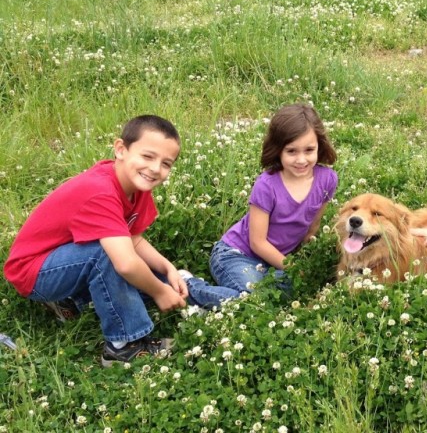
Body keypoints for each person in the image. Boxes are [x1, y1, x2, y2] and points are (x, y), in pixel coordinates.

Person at [3, 115, 188, 367]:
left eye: (166, 163)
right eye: (147, 156)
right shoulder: (100, 190)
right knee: (107, 254)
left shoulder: (134, 186)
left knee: (120, 255)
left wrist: (167, 268)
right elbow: (125, 263)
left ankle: (69, 300)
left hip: (60, 259)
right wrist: (159, 291)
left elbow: (132, 239)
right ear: (120, 149)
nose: (155, 168)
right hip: (32, 272)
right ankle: (123, 346)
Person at [183, 103, 338, 308]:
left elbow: (312, 230)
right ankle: (185, 284)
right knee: (255, 300)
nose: (301, 159)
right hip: (237, 254)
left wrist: (305, 266)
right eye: (291, 151)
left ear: (320, 145)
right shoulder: (267, 185)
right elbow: (257, 242)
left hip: (275, 261)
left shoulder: (327, 179)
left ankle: (210, 305)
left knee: (291, 295)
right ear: (278, 150)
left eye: (309, 150)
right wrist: (292, 268)